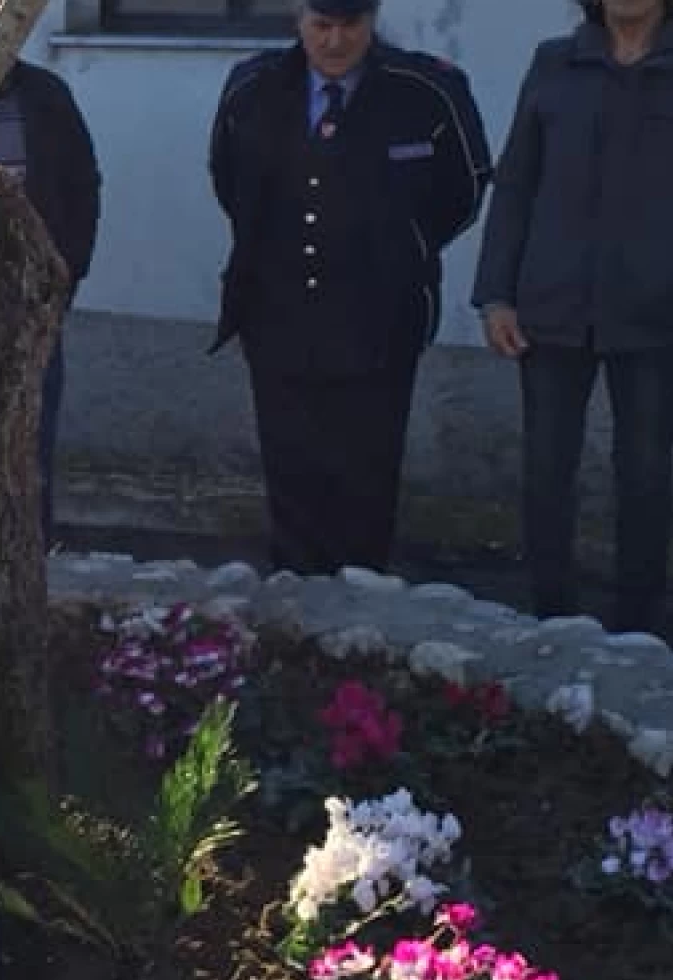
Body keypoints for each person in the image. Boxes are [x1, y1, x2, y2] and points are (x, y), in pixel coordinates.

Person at [472, 0, 673, 632]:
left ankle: (639, 631)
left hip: (653, 308)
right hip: (551, 302)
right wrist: (496, 293)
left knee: (643, 473)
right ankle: (551, 618)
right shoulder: (556, 61)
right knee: (546, 469)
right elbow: (516, 182)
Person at [208, 0, 491, 577]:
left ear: (372, 19)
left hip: (379, 318)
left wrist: (400, 251)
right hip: (278, 312)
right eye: (322, 26)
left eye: (350, 26)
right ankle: (297, 613)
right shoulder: (253, 88)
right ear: (298, 19)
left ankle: (360, 621)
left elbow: (464, 188)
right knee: (291, 476)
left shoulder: (425, 91)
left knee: (365, 478)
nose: (335, 42)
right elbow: (230, 179)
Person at [0, 2, 102, 546]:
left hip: (28, 320)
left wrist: (61, 282)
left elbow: (81, 189)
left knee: (27, 457)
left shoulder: (44, 98)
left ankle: (30, 570)